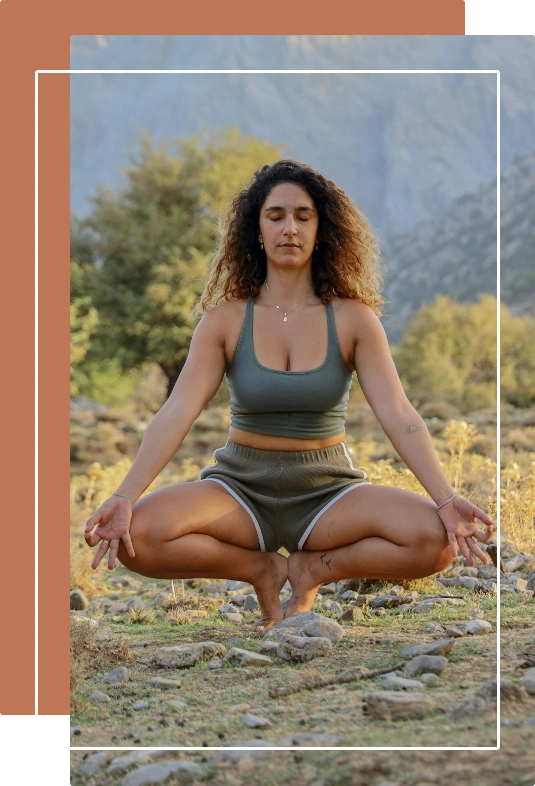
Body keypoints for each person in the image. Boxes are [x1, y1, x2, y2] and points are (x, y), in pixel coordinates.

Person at [84, 159, 494, 632]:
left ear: (323, 229)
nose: (289, 228)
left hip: (327, 491)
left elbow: (398, 413)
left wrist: (445, 498)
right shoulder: (225, 320)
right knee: (137, 536)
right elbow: (177, 411)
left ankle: (308, 571)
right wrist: (124, 494)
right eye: (275, 216)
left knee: (435, 542)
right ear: (256, 229)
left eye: (303, 216)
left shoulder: (355, 319)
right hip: (239, 488)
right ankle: (262, 570)